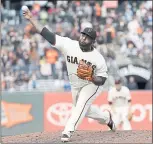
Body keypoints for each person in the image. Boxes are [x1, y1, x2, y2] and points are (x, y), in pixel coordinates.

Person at [22, 6, 116, 142]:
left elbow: (102, 80)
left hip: (91, 84)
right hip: (75, 84)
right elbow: (46, 33)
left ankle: (68, 131)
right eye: (83, 34)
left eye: (88, 37)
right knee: (85, 109)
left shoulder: (98, 58)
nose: (83, 38)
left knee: (81, 105)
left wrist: (92, 77)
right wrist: (31, 18)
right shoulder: (69, 44)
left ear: (93, 42)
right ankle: (107, 118)